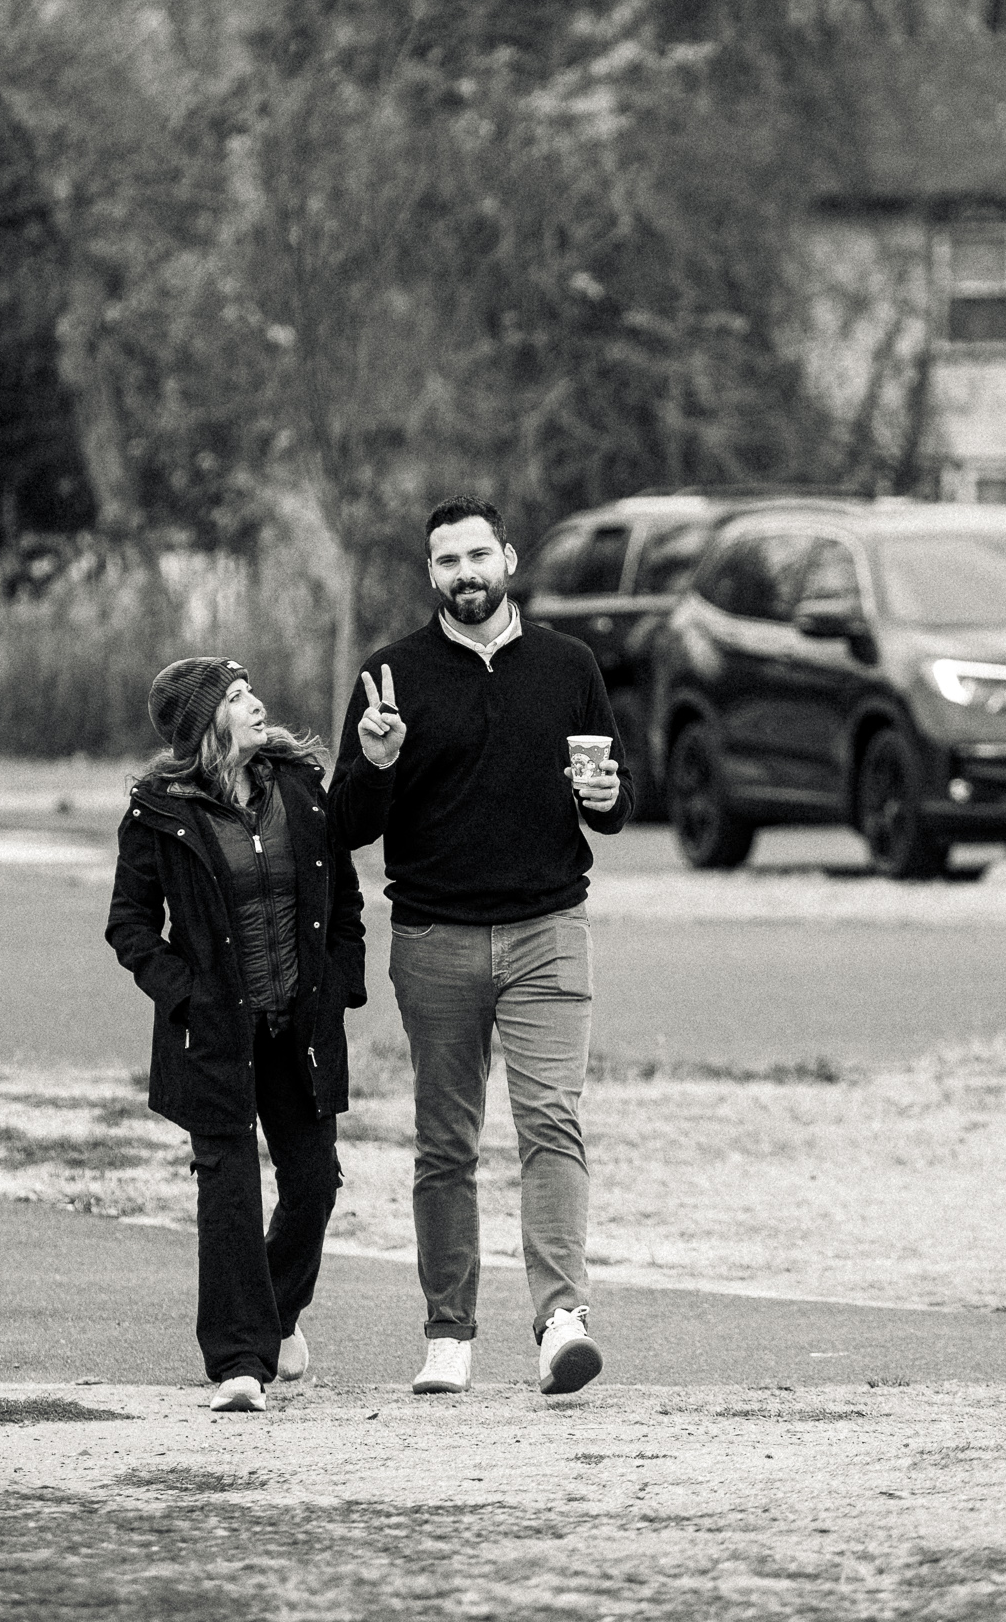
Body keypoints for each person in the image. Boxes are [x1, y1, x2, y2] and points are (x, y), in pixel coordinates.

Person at [332, 495, 632, 1397]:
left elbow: (616, 805)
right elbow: (345, 825)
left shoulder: (568, 665)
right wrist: (376, 763)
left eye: (478, 555)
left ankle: (560, 1320)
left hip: (549, 930)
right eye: (446, 561)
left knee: (551, 1125)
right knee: (445, 1144)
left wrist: (610, 796)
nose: (465, 573)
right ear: (430, 575)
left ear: (507, 558)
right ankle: (448, 1334)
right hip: (434, 939)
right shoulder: (389, 675)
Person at [106, 656, 389, 1412]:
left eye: (250, 689)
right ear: (204, 726)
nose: (257, 704)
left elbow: (346, 900)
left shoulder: (299, 789)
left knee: (313, 1184)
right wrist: (187, 996)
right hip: (215, 1036)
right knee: (228, 1195)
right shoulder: (158, 812)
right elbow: (130, 926)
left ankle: (273, 1315)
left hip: (297, 1026)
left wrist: (341, 986)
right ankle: (238, 1363)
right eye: (236, 697)